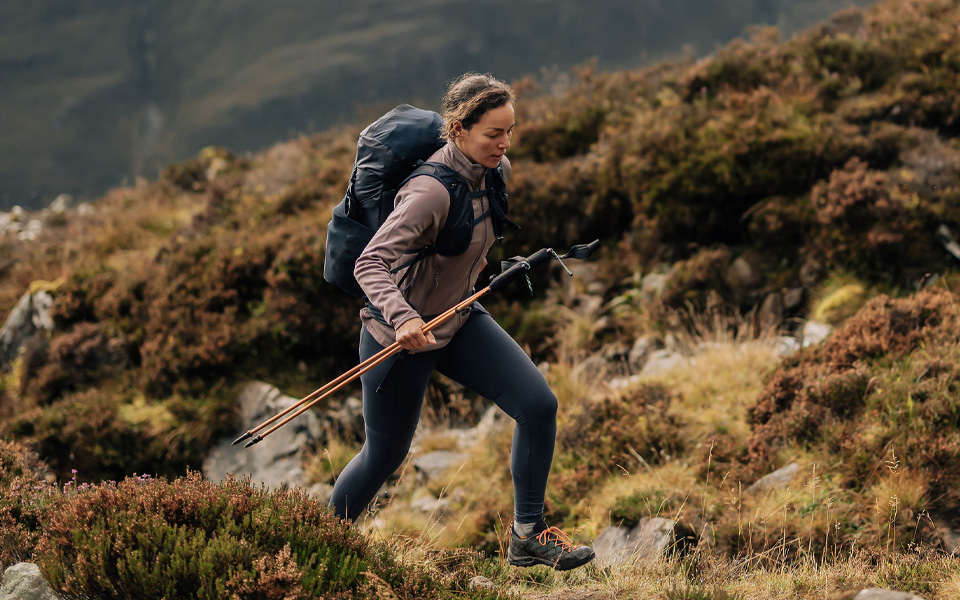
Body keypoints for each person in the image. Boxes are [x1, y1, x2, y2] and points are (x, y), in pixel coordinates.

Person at [329, 73, 595, 571]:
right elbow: (370, 263)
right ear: (458, 128)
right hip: (398, 337)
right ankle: (318, 543)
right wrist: (404, 319)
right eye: (494, 133)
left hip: (458, 318)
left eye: (510, 131)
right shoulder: (429, 191)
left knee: (538, 405)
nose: (504, 143)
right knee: (384, 455)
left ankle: (528, 535)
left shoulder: (493, 171)